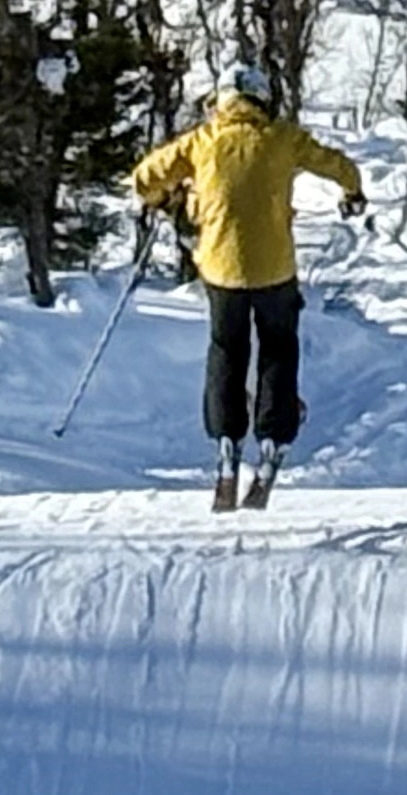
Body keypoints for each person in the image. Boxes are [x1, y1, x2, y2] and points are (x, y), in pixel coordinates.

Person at [131, 62, 366, 513]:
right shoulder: (281, 137)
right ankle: (274, 440)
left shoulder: (202, 142)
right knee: (278, 348)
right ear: (262, 98)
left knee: (227, 350)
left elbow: (144, 178)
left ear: (220, 101)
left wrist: (166, 201)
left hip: (221, 271)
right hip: (275, 269)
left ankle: (225, 444)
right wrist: (351, 193)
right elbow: (339, 165)